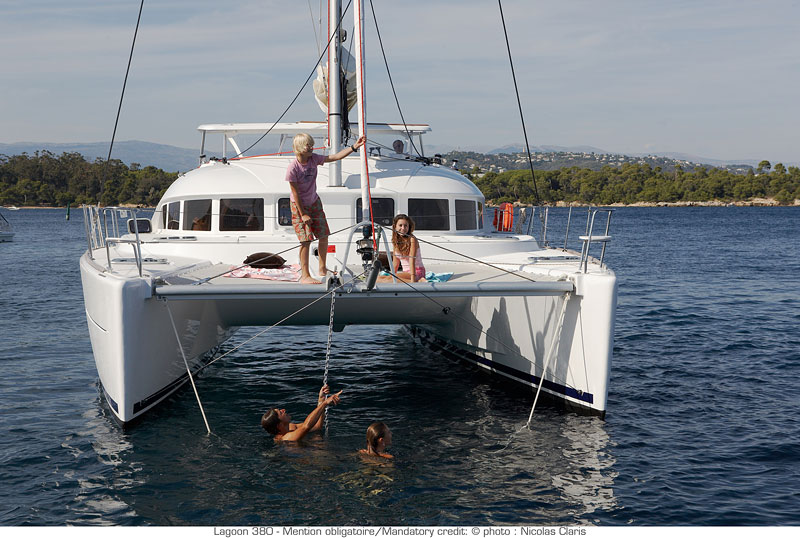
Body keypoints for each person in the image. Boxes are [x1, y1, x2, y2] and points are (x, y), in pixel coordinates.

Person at [286, 132, 367, 284]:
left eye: (311, 144)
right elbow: (295, 194)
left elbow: (334, 157)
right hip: (299, 206)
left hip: (314, 202)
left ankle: (322, 268)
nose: (311, 147)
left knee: (324, 235)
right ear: (299, 148)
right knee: (305, 240)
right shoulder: (293, 168)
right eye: (308, 145)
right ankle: (305, 275)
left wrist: (354, 147)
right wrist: (303, 214)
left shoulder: (314, 159)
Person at [261, 385, 343, 442]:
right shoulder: (287, 438)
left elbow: (317, 427)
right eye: (280, 412)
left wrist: (321, 399)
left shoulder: (291, 427)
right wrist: (325, 403)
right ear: (279, 425)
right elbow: (306, 426)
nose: (283, 410)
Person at [379, 214, 426, 283]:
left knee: (389, 280)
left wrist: (413, 280)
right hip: (406, 273)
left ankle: (417, 280)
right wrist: (391, 275)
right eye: (400, 225)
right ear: (395, 227)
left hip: (416, 271)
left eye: (405, 226)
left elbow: (411, 260)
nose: (403, 228)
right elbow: (395, 264)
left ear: (409, 227)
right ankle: (417, 281)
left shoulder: (412, 239)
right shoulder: (395, 241)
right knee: (378, 279)